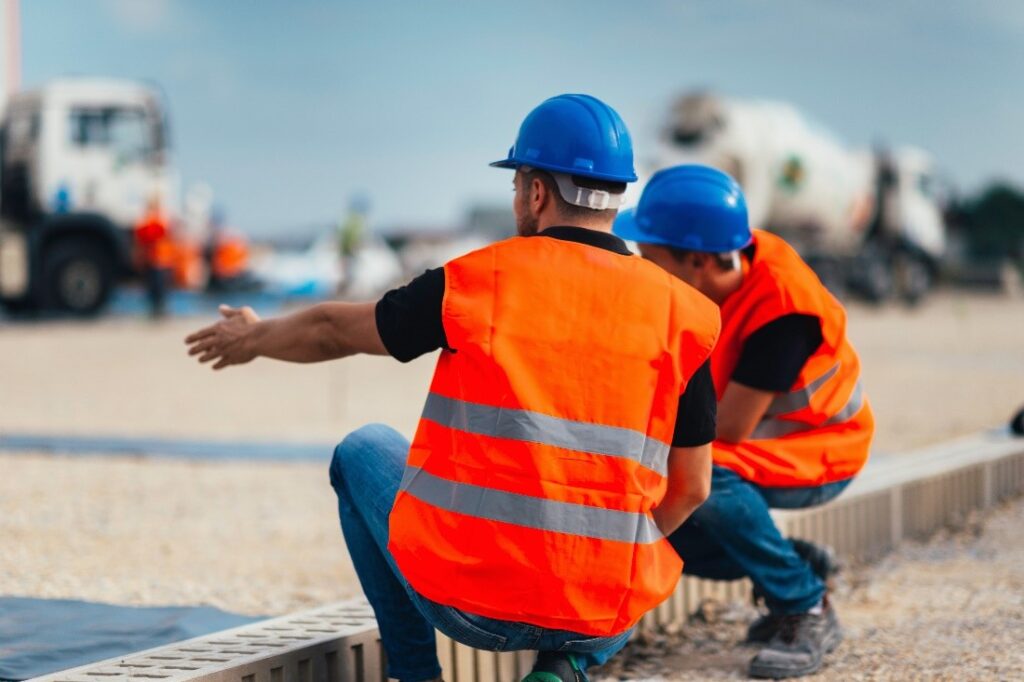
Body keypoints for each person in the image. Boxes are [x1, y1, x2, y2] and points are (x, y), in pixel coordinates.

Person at [184, 94, 722, 682]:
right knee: (622, 561)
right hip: (603, 615)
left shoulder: (478, 281)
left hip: (472, 607)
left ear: (537, 192)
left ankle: (416, 676)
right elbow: (691, 489)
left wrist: (257, 337)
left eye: (517, 183)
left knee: (362, 448)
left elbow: (332, 329)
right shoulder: (684, 315)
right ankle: (562, 667)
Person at [613, 165, 874, 679]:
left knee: (699, 482)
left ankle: (805, 605)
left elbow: (726, 430)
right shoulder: (716, 275)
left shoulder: (781, 307)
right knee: (669, 519)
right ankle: (795, 563)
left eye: (651, 257)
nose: (641, 267)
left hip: (825, 450)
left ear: (698, 260)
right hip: (765, 446)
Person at [135, 197, 174, 318]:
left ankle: (159, 311)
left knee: (159, 289)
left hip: (160, 261)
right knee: (154, 289)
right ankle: (156, 310)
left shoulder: (158, 220)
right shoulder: (155, 220)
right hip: (154, 261)